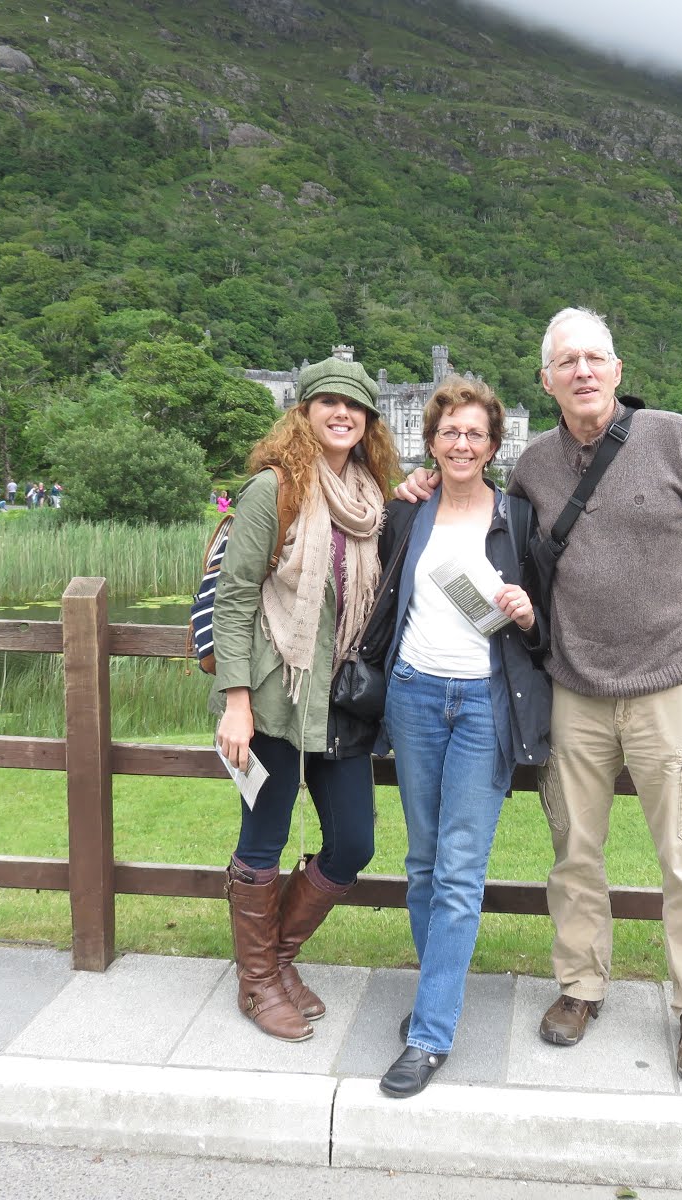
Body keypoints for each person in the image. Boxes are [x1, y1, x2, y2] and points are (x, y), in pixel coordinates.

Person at [397, 307, 682, 1082]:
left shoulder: (676, 440)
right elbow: (482, 512)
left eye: (595, 358)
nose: (583, 371)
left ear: (617, 371)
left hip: (671, 681)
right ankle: (581, 986)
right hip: (575, 688)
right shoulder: (534, 467)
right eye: (567, 362)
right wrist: (420, 483)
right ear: (548, 380)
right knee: (574, 852)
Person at [210, 354, 401, 1042]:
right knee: (263, 839)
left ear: (368, 421)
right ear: (305, 411)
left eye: (356, 407)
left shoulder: (372, 498)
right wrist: (236, 702)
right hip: (274, 696)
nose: (342, 414)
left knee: (353, 841)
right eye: (329, 402)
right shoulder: (275, 489)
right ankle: (258, 982)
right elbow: (236, 597)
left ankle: (277, 961)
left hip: (340, 702)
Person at [370, 377, 550, 1098]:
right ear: (432, 442)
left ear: (494, 445)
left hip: (483, 706)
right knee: (421, 864)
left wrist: (528, 614)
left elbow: (545, 630)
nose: (463, 444)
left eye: (476, 433)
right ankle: (436, 994)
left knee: (459, 869)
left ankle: (430, 1033)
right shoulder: (407, 511)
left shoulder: (518, 520)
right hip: (413, 695)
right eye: (450, 432)